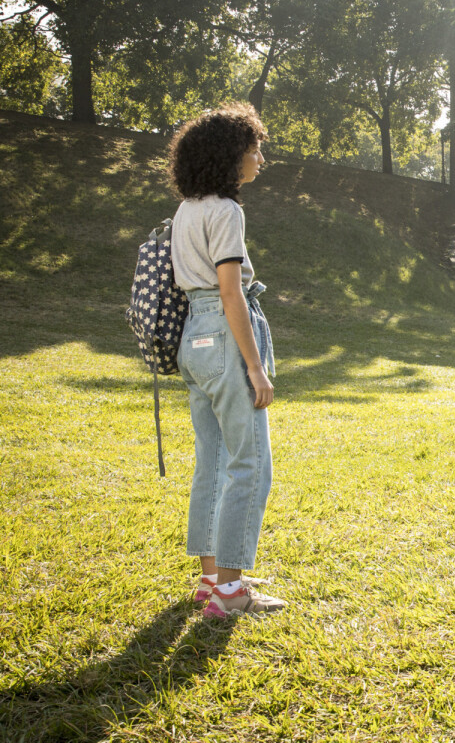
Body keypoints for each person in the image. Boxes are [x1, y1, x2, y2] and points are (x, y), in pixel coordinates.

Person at [168, 103, 286, 616]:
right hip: (224, 332)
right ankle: (232, 593)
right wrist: (255, 366)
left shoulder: (186, 210)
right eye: (254, 147)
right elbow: (232, 293)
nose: (260, 156)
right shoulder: (227, 211)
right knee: (250, 464)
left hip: (194, 335)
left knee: (212, 462)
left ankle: (211, 578)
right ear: (230, 155)